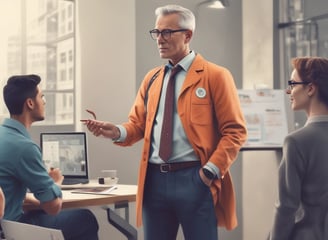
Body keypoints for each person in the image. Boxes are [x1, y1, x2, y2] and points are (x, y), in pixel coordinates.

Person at [84, 4, 247, 240]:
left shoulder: (215, 76)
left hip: (194, 178)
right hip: (154, 181)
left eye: (167, 32)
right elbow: (138, 125)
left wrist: (208, 173)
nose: (160, 39)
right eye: (157, 33)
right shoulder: (152, 79)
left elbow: (235, 131)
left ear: (188, 35)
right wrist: (115, 131)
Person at [0, 74, 99, 240]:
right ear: (30, 103)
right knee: (85, 219)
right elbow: (53, 207)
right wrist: (55, 182)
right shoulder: (25, 147)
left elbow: (8, 188)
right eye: (41, 96)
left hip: (4, 222)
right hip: (10, 229)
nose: (44, 102)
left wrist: (37, 198)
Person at [270, 57, 328, 240]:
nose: (289, 91)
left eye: (293, 84)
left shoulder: (296, 142)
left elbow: (286, 208)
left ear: (310, 88)